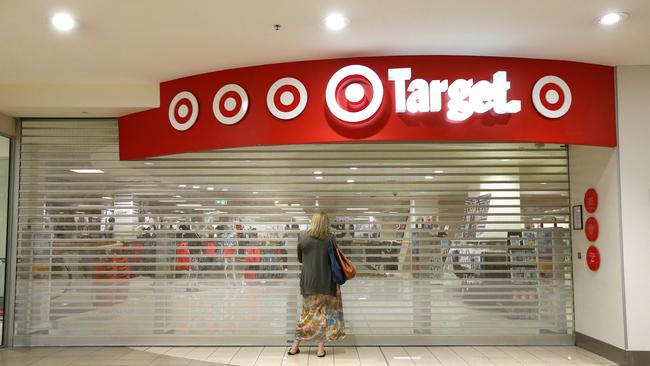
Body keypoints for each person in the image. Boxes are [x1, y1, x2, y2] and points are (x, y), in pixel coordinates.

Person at [288, 211, 345, 358]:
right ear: (325, 223)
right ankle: (320, 350)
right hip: (327, 283)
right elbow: (336, 261)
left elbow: (300, 259)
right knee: (324, 316)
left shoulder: (303, 238)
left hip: (308, 284)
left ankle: (294, 347)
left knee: (306, 315)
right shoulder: (330, 239)